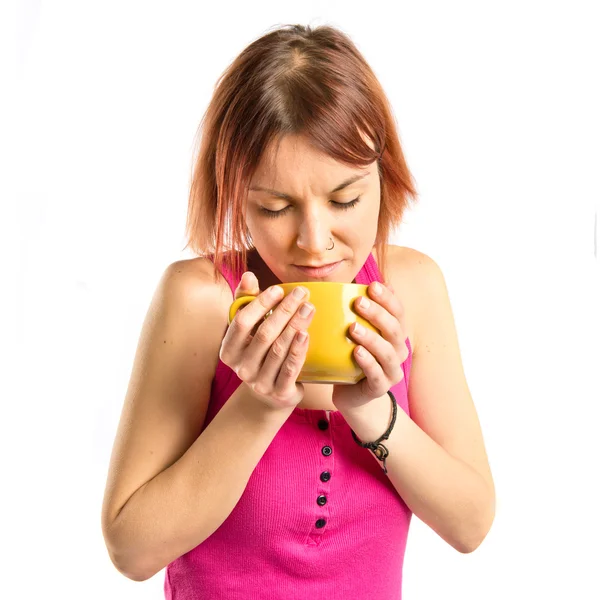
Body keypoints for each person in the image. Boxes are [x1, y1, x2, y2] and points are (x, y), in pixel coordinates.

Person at [101, 23, 495, 599]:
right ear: (236, 195)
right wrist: (258, 403)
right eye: (276, 207)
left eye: (345, 200)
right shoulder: (200, 299)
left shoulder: (412, 288)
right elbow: (131, 550)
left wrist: (372, 411)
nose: (315, 242)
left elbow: (471, 524)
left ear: (384, 179)